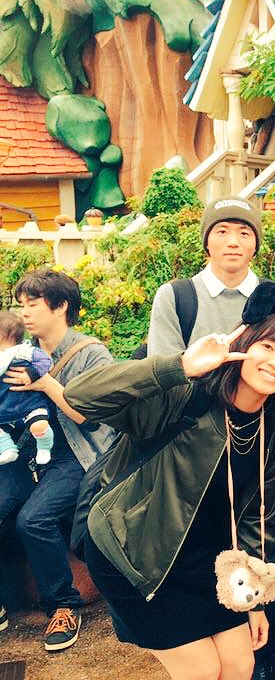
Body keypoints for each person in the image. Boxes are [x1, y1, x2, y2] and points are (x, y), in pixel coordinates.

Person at [64, 283, 275, 679]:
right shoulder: (185, 398)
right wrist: (179, 365)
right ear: (243, 345)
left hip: (208, 562)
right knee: (202, 671)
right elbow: (81, 396)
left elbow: (256, 517)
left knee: (241, 665)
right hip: (137, 550)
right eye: (267, 347)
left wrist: (254, 598)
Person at [0, 268, 114, 651]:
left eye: (33, 304)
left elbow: (91, 417)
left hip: (76, 454)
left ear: (61, 306)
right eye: (21, 304)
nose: (24, 312)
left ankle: (63, 606)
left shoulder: (92, 354)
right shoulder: (15, 349)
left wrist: (45, 382)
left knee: (34, 519)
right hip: (25, 452)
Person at [147, 195, 275, 356]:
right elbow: (163, 368)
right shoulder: (174, 296)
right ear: (206, 242)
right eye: (222, 231)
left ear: (256, 245)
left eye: (244, 233)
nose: (233, 242)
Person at [0, 312, 54, 465]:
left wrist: (31, 374)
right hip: (4, 405)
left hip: (29, 404)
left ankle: (44, 448)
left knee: (39, 425)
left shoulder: (23, 351)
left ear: (5, 336)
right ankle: (8, 449)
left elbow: (45, 361)